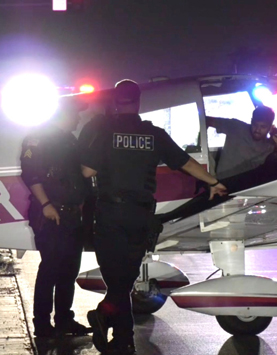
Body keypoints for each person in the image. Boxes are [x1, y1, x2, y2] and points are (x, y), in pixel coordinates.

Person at [80, 79, 227, 355]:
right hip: (141, 216)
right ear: (138, 102)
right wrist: (212, 182)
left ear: (115, 101)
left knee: (118, 281)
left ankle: (107, 319)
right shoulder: (154, 134)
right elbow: (184, 162)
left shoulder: (105, 133)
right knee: (125, 280)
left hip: (111, 214)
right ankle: (121, 338)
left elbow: (87, 172)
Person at [20, 98, 91, 338]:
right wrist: (47, 205)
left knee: (69, 271)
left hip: (71, 215)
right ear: (63, 114)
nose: (79, 118)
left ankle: (64, 320)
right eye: (75, 114)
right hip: (50, 215)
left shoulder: (69, 140)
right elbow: (31, 175)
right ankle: (42, 324)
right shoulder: (39, 138)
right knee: (50, 269)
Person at [205, 106, 277, 180]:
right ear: (251, 121)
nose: (257, 130)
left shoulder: (270, 145)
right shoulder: (237, 127)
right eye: (255, 125)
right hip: (224, 181)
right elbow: (206, 120)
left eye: (263, 127)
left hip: (248, 186)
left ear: (270, 127)